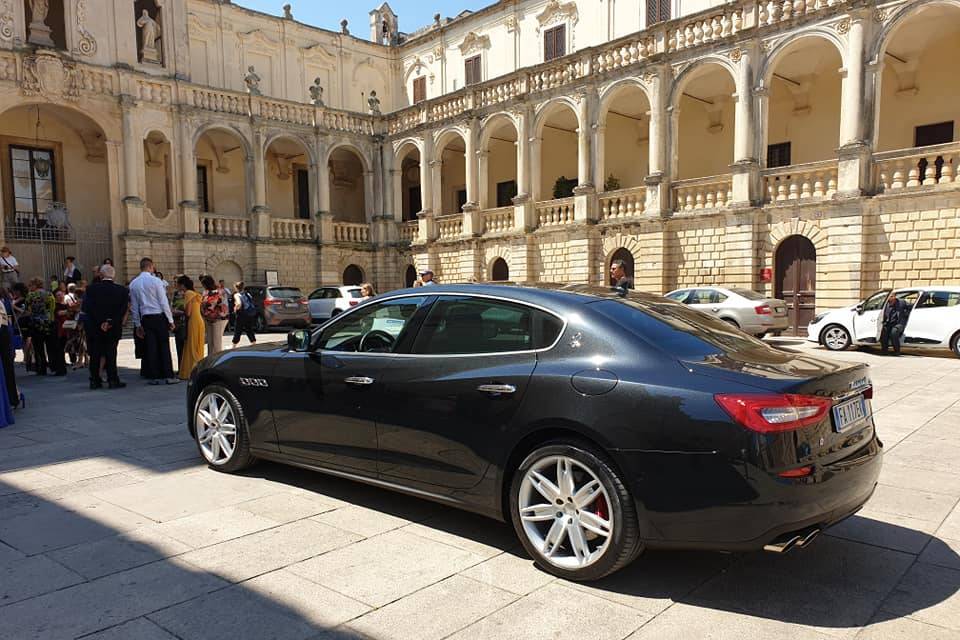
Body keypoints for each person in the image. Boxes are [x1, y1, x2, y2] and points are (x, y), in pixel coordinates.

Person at [129, 257, 178, 385]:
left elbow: (134, 307)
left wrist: (137, 324)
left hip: (146, 318)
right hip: (159, 316)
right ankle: (168, 375)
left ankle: (154, 376)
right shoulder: (156, 281)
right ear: (151, 267)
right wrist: (170, 320)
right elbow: (163, 302)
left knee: (150, 347)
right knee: (164, 346)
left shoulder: (134, 283)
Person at [81, 264, 129, 389]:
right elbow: (122, 309)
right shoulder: (122, 290)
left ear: (101, 275)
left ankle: (95, 380)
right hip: (113, 327)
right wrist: (110, 322)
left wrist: (101, 321)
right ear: (113, 275)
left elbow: (88, 308)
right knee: (111, 353)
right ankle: (113, 379)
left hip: (95, 327)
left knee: (95, 354)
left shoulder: (91, 289)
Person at [24, 278, 56, 376]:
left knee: (39, 348)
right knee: (51, 346)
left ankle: (41, 368)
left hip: (36, 324)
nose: (30, 287)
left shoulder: (30, 295)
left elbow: (27, 309)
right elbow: (52, 308)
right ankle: (54, 366)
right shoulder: (49, 294)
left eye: (31, 285)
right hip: (48, 323)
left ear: (35, 285)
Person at [177, 276, 205, 380]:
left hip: (193, 321)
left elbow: (188, 312)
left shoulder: (188, 294)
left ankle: (189, 372)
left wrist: (178, 311)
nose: (177, 286)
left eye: (178, 284)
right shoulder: (196, 293)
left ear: (182, 285)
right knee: (197, 345)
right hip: (199, 321)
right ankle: (198, 370)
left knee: (191, 346)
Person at [0, 287, 22, 412]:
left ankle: (11, 399)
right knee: (8, 369)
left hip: (3, 335)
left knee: (6, 369)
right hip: (7, 334)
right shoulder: (6, 301)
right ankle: (13, 398)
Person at [200, 275, 229, 356]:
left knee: (216, 342)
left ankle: (216, 361)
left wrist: (202, 308)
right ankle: (210, 360)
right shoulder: (208, 292)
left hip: (218, 318)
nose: (203, 286)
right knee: (210, 342)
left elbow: (211, 305)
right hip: (210, 318)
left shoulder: (218, 291)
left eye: (203, 284)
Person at [231, 281, 257, 348]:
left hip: (241, 315)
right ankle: (253, 343)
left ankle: (234, 346)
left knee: (238, 330)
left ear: (236, 288)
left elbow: (239, 304)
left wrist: (235, 309)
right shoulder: (247, 294)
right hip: (249, 313)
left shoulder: (236, 295)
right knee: (249, 329)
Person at [171, 275, 187, 366]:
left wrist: (179, 311)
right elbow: (173, 305)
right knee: (179, 347)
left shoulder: (188, 293)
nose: (174, 284)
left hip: (185, 322)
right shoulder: (176, 293)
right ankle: (181, 368)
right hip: (177, 323)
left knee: (184, 347)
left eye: (176, 282)